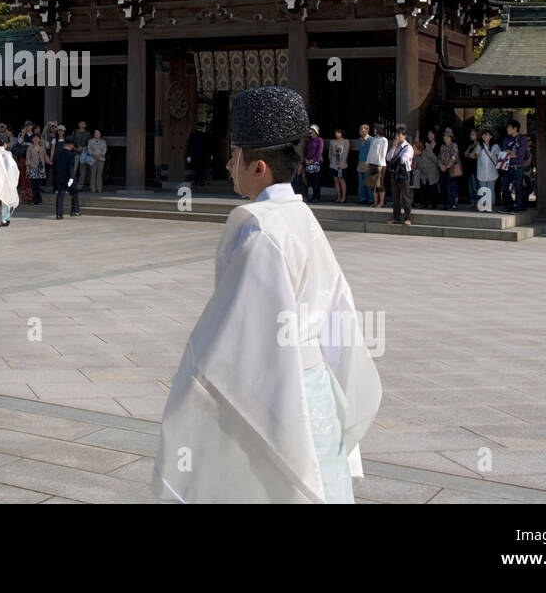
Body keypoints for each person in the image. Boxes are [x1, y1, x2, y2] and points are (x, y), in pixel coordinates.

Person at [153, 87, 381, 503]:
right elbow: (338, 309)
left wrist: (191, 392)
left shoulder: (260, 228)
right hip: (316, 389)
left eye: (234, 155)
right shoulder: (301, 216)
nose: (228, 164)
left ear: (258, 166)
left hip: (282, 388)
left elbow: (236, 337)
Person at [500, 120, 530, 213]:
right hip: (507, 165)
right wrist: (512, 153)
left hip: (518, 166)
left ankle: (519, 206)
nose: (507, 129)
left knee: (518, 187)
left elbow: (521, 153)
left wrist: (512, 153)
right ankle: (509, 205)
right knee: (504, 186)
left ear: (515, 128)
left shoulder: (523, 139)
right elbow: (504, 151)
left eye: (509, 127)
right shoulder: (506, 139)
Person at [387, 124, 414, 225]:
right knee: (395, 197)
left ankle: (408, 218)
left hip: (404, 174)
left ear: (404, 136)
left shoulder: (408, 148)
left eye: (399, 135)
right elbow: (388, 158)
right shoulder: (396, 147)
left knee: (405, 197)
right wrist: (393, 147)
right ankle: (396, 217)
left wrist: (395, 158)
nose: (397, 137)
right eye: (396, 135)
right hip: (395, 173)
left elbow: (403, 160)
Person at [51, 137, 81, 220]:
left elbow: (55, 167)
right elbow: (71, 168)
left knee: (60, 195)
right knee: (75, 191)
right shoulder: (71, 155)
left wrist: (56, 177)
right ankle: (75, 210)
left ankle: (59, 214)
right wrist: (71, 179)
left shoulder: (58, 153)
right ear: (70, 145)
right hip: (69, 178)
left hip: (59, 177)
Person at [474, 129, 501, 211]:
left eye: (486, 134)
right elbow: (475, 156)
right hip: (481, 172)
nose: (484, 136)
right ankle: (484, 206)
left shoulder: (495, 146)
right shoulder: (479, 146)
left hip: (492, 172)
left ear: (491, 136)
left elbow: (500, 156)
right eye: (483, 135)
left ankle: (490, 206)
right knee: (483, 190)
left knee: (491, 190)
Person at [437, 129, 460, 210]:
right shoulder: (442, 146)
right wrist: (440, 165)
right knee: (443, 186)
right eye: (444, 136)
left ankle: (453, 203)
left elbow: (454, 157)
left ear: (451, 137)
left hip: (451, 169)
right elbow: (439, 157)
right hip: (442, 169)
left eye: (447, 136)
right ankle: (445, 203)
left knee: (451, 186)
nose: (445, 138)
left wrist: (447, 166)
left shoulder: (454, 145)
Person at [367, 124, 388, 209]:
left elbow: (383, 153)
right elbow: (371, 151)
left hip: (380, 164)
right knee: (373, 184)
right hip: (372, 163)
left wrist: (380, 164)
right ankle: (375, 202)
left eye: (376, 129)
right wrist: (368, 162)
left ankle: (381, 202)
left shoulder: (384, 140)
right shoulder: (373, 139)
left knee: (380, 184)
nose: (374, 130)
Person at [415, 139, 440, 210]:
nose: (414, 150)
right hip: (424, 174)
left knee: (433, 189)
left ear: (419, 149)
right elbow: (417, 165)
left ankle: (434, 204)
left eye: (415, 148)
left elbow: (436, 160)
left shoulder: (428, 152)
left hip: (432, 173)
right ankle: (424, 203)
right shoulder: (417, 156)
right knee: (423, 189)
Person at [302, 125, 324, 203]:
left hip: (316, 162)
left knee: (316, 180)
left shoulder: (319, 140)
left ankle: (316, 197)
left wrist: (312, 160)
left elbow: (319, 152)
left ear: (316, 132)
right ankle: (312, 196)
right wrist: (305, 159)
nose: (311, 132)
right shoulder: (309, 141)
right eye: (310, 130)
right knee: (310, 180)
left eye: (312, 130)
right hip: (308, 163)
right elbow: (305, 151)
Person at [26, 133, 49, 205]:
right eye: (34, 138)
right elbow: (28, 159)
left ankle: (39, 200)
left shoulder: (42, 148)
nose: (35, 139)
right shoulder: (29, 148)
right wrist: (27, 168)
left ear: (39, 139)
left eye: (37, 138)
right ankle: (33, 200)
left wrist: (50, 162)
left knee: (38, 185)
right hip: (33, 168)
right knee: (33, 185)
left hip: (41, 168)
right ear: (32, 139)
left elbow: (45, 157)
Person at [327, 129, 348, 203]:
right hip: (333, 164)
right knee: (335, 180)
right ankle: (338, 196)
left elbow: (345, 153)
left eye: (338, 133)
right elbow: (330, 152)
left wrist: (342, 163)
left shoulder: (345, 141)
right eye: (336, 133)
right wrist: (331, 161)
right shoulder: (332, 141)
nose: (336, 134)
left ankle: (344, 196)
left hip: (342, 164)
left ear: (341, 133)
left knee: (341, 180)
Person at [186, 124, 208, 188]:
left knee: (195, 169)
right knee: (201, 168)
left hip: (194, 155)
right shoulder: (205, 135)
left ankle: (195, 182)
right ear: (202, 128)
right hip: (202, 155)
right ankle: (201, 181)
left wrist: (188, 156)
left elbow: (189, 146)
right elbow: (207, 147)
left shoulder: (192, 135)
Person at [71, 120, 91, 188]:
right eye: (81, 124)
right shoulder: (74, 132)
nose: (82, 125)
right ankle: (71, 185)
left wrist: (83, 148)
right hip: (75, 153)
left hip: (84, 154)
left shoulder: (88, 134)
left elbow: (89, 144)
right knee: (73, 170)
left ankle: (80, 186)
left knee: (83, 171)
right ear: (78, 124)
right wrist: (76, 148)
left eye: (83, 124)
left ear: (85, 125)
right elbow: (71, 142)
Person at [355, 125, 372, 205]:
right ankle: (362, 198)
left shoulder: (371, 140)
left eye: (363, 129)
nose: (361, 131)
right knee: (361, 183)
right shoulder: (359, 140)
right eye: (360, 129)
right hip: (361, 162)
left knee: (369, 182)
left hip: (368, 162)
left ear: (367, 130)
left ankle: (371, 199)